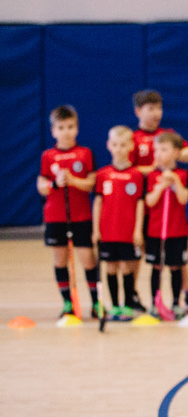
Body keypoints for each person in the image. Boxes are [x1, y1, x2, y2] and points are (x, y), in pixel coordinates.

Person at [130, 89, 188, 313]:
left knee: (175, 256)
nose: (156, 113)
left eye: (159, 108)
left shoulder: (168, 134)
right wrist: (153, 168)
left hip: (169, 207)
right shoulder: (134, 138)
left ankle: (186, 293)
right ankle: (133, 293)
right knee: (141, 252)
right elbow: (129, 169)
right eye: (150, 109)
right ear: (138, 112)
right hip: (145, 203)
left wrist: (172, 156)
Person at [37, 105, 100, 318]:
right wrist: (55, 183)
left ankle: (96, 302)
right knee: (60, 259)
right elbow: (42, 186)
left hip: (81, 216)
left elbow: (91, 184)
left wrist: (73, 181)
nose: (66, 131)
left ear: (77, 128)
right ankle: (67, 303)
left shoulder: (85, 153)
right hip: (56, 217)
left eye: (70, 127)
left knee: (88, 258)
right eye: (61, 128)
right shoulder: (48, 156)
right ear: (53, 131)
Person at [92, 126, 145, 321]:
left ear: (131, 146)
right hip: (108, 231)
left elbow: (140, 203)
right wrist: (96, 229)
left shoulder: (136, 175)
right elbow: (98, 203)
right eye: (115, 145)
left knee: (126, 267)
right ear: (108, 145)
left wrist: (138, 229)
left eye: (123, 145)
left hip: (127, 231)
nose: (119, 149)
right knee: (111, 268)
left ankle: (128, 305)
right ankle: (114, 305)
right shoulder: (103, 174)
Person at [144, 132, 188, 319]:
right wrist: (161, 186)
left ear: (176, 153)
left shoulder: (183, 174)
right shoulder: (152, 176)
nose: (158, 154)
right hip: (156, 232)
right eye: (156, 150)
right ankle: (154, 303)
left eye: (163, 150)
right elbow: (150, 201)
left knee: (175, 267)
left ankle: (176, 303)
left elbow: (183, 199)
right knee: (156, 267)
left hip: (177, 231)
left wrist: (175, 182)